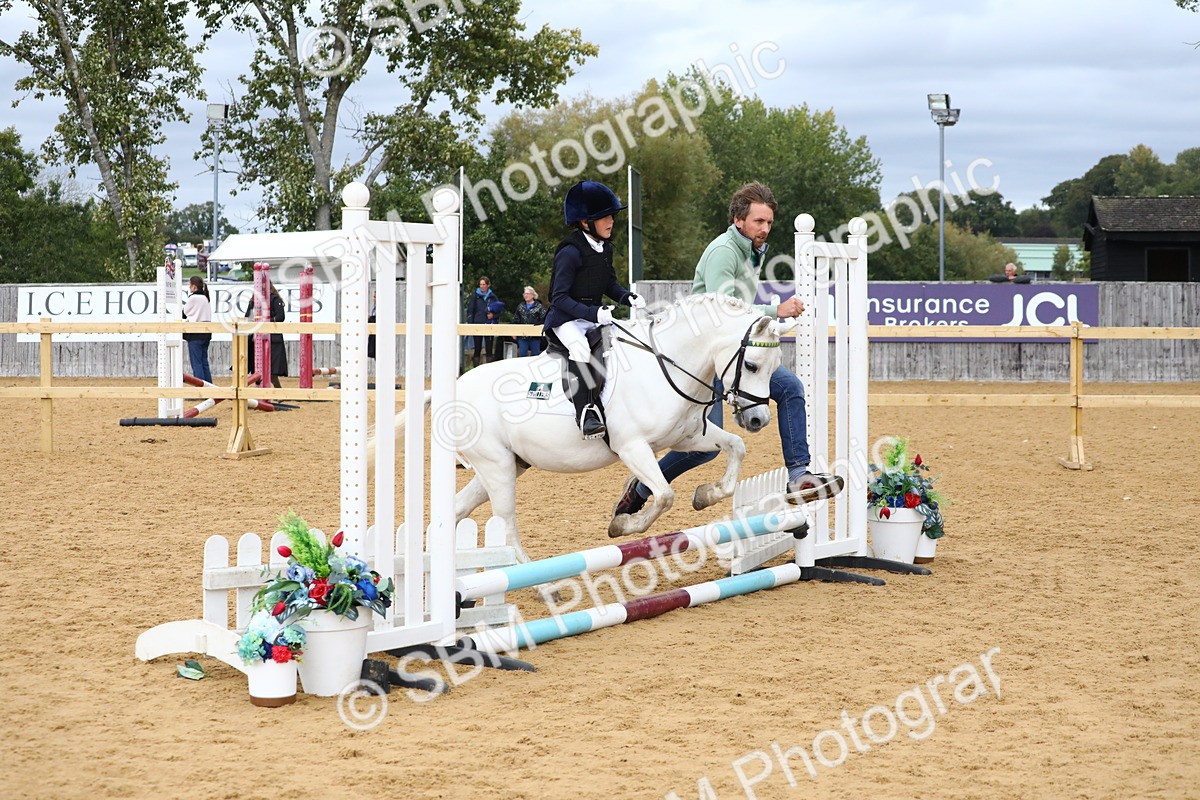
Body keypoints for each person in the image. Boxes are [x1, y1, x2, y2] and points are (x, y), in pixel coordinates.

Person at [612, 181, 839, 516]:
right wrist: (776, 311)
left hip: (733, 353)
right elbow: (722, 310)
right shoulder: (723, 252)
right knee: (703, 449)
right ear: (738, 220)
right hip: (703, 356)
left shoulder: (750, 251)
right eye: (759, 222)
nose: (765, 228)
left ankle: (798, 475)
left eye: (769, 222)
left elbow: (739, 312)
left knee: (790, 388)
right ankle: (642, 487)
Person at [544, 180, 645, 439]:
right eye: (604, 217)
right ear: (585, 222)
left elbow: (608, 282)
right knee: (580, 347)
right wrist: (594, 314)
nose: (611, 221)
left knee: (622, 338)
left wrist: (626, 296)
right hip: (565, 319)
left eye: (611, 215)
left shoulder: (604, 248)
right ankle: (586, 412)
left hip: (590, 316)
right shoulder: (569, 252)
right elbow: (558, 298)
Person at [245, 278, 288, 388]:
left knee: (272, 372)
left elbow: (280, 317)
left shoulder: (274, 299)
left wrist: (264, 322)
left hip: (273, 338)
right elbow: (247, 317)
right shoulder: (253, 301)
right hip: (257, 338)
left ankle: (279, 393)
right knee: (256, 369)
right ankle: (260, 393)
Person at [182, 276, 213, 384]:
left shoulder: (193, 298)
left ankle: (200, 389)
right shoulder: (205, 298)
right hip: (206, 333)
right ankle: (209, 388)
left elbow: (184, 313)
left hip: (195, 333)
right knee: (204, 362)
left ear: (194, 286)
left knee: (197, 364)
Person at [466, 276, 498, 367]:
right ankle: (476, 367)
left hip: (489, 324)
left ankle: (489, 367)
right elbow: (470, 310)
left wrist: (493, 315)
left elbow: (499, 310)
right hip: (477, 323)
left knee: (489, 347)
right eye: (481, 284)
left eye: (484, 284)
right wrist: (470, 324)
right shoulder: (475, 296)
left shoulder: (492, 297)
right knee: (477, 347)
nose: (482, 286)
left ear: (488, 285)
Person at [513, 286, 547, 357]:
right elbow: (516, 320)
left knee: (535, 355)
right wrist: (514, 332)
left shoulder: (539, 306)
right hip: (522, 335)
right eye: (525, 294)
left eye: (528, 294)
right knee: (522, 354)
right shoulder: (520, 306)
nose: (526, 295)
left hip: (535, 336)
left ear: (533, 295)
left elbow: (544, 319)